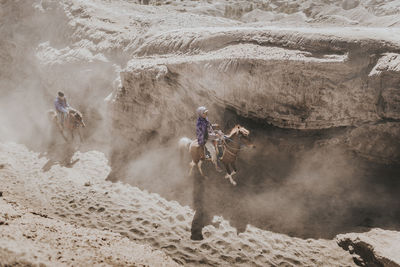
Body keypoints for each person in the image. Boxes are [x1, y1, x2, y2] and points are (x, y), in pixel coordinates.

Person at [196, 106, 222, 172]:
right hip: (205, 139)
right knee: (213, 150)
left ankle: (221, 155)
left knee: (221, 135)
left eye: (206, 113)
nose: (206, 114)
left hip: (210, 134)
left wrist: (213, 126)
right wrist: (215, 136)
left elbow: (209, 126)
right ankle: (216, 165)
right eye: (205, 113)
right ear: (201, 114)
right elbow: (206, 135)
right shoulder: (200, 123)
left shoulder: (205, 119)